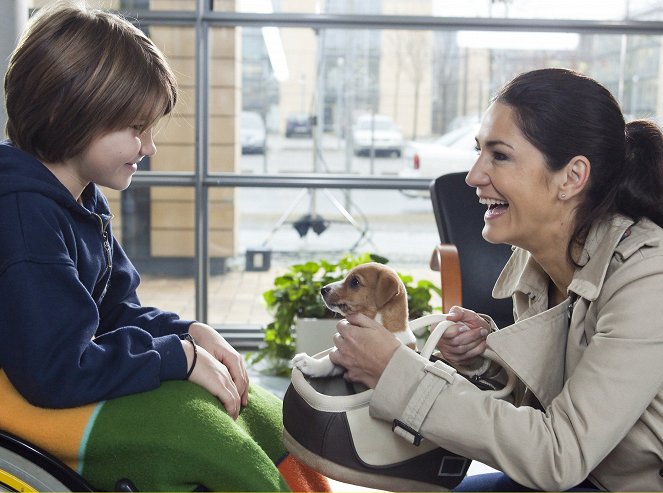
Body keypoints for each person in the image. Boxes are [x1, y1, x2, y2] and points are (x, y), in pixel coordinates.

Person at [0, 2, 329, 491]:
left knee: (260, 411)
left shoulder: (79, 199)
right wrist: (179, 358)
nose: (149, 147)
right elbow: (55, 370)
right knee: (202, 437)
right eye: (136, 128)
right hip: (25, 398)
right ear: (63, 112)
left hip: (56, 377)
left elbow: (114, 311)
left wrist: (191, 334)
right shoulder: (24, 216)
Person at [329, 67, 663, 492]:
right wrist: (486, 361)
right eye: (478, 152)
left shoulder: (649, 277)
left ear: (573, 177)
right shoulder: (541, 263)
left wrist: (395, 372)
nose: (473, 176)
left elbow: (557, 455)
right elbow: (543, 414)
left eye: (499, 155)